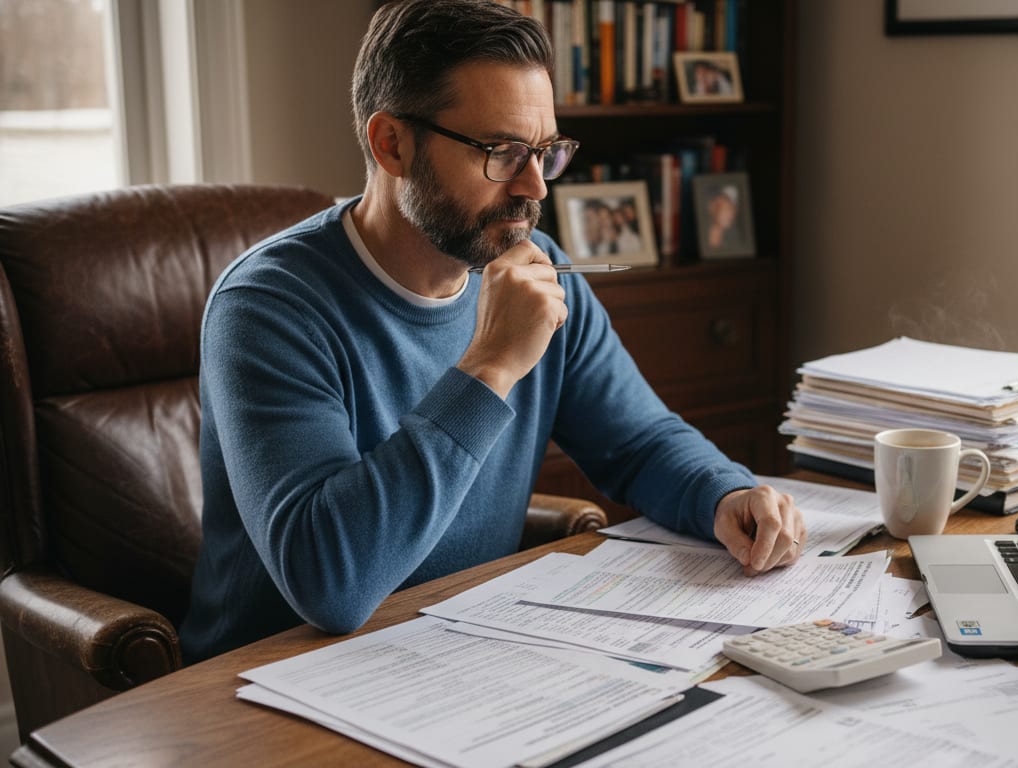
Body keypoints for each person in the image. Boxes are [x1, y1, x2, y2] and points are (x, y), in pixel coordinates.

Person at [179, 0, 804, 663]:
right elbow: (331, 584)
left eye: (546, 151)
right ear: (391, 143)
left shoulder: (540, 271)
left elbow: (640, 442)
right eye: (502, 152)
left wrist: (725, 493)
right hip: (267, 681)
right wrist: (493, 365)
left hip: (459, 652)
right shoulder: (269, 308)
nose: (534, 186)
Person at [704, 184, 745, 252]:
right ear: (714, 207)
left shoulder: (729, 242)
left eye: (734, 210)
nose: (732, 215)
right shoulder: (705, 237)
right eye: (727, 208)